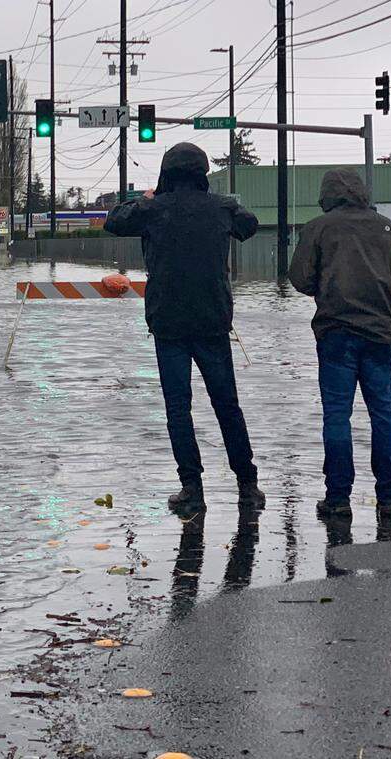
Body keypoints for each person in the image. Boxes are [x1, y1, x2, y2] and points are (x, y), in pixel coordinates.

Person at [105, 142, 265, 512]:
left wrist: (146, 197)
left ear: (166, 173)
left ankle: (192, 488)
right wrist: (223, 208)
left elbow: (114, 221)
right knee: (228, 406)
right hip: (212, 321)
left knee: (179, 408)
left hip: (169, 324)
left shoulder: (152, 209)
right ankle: (248, 486)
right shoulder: (222, 208)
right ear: (201, 173)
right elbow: (249, 225)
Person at [289, 168, 391, 518]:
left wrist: (327, 286)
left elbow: (299, 278)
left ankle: (338, 498)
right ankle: (389, 498)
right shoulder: (387, 227)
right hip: (380, 335)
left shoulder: (319, 228)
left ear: (327, 194)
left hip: (335, 336)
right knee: (385, 414)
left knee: (337, 416)